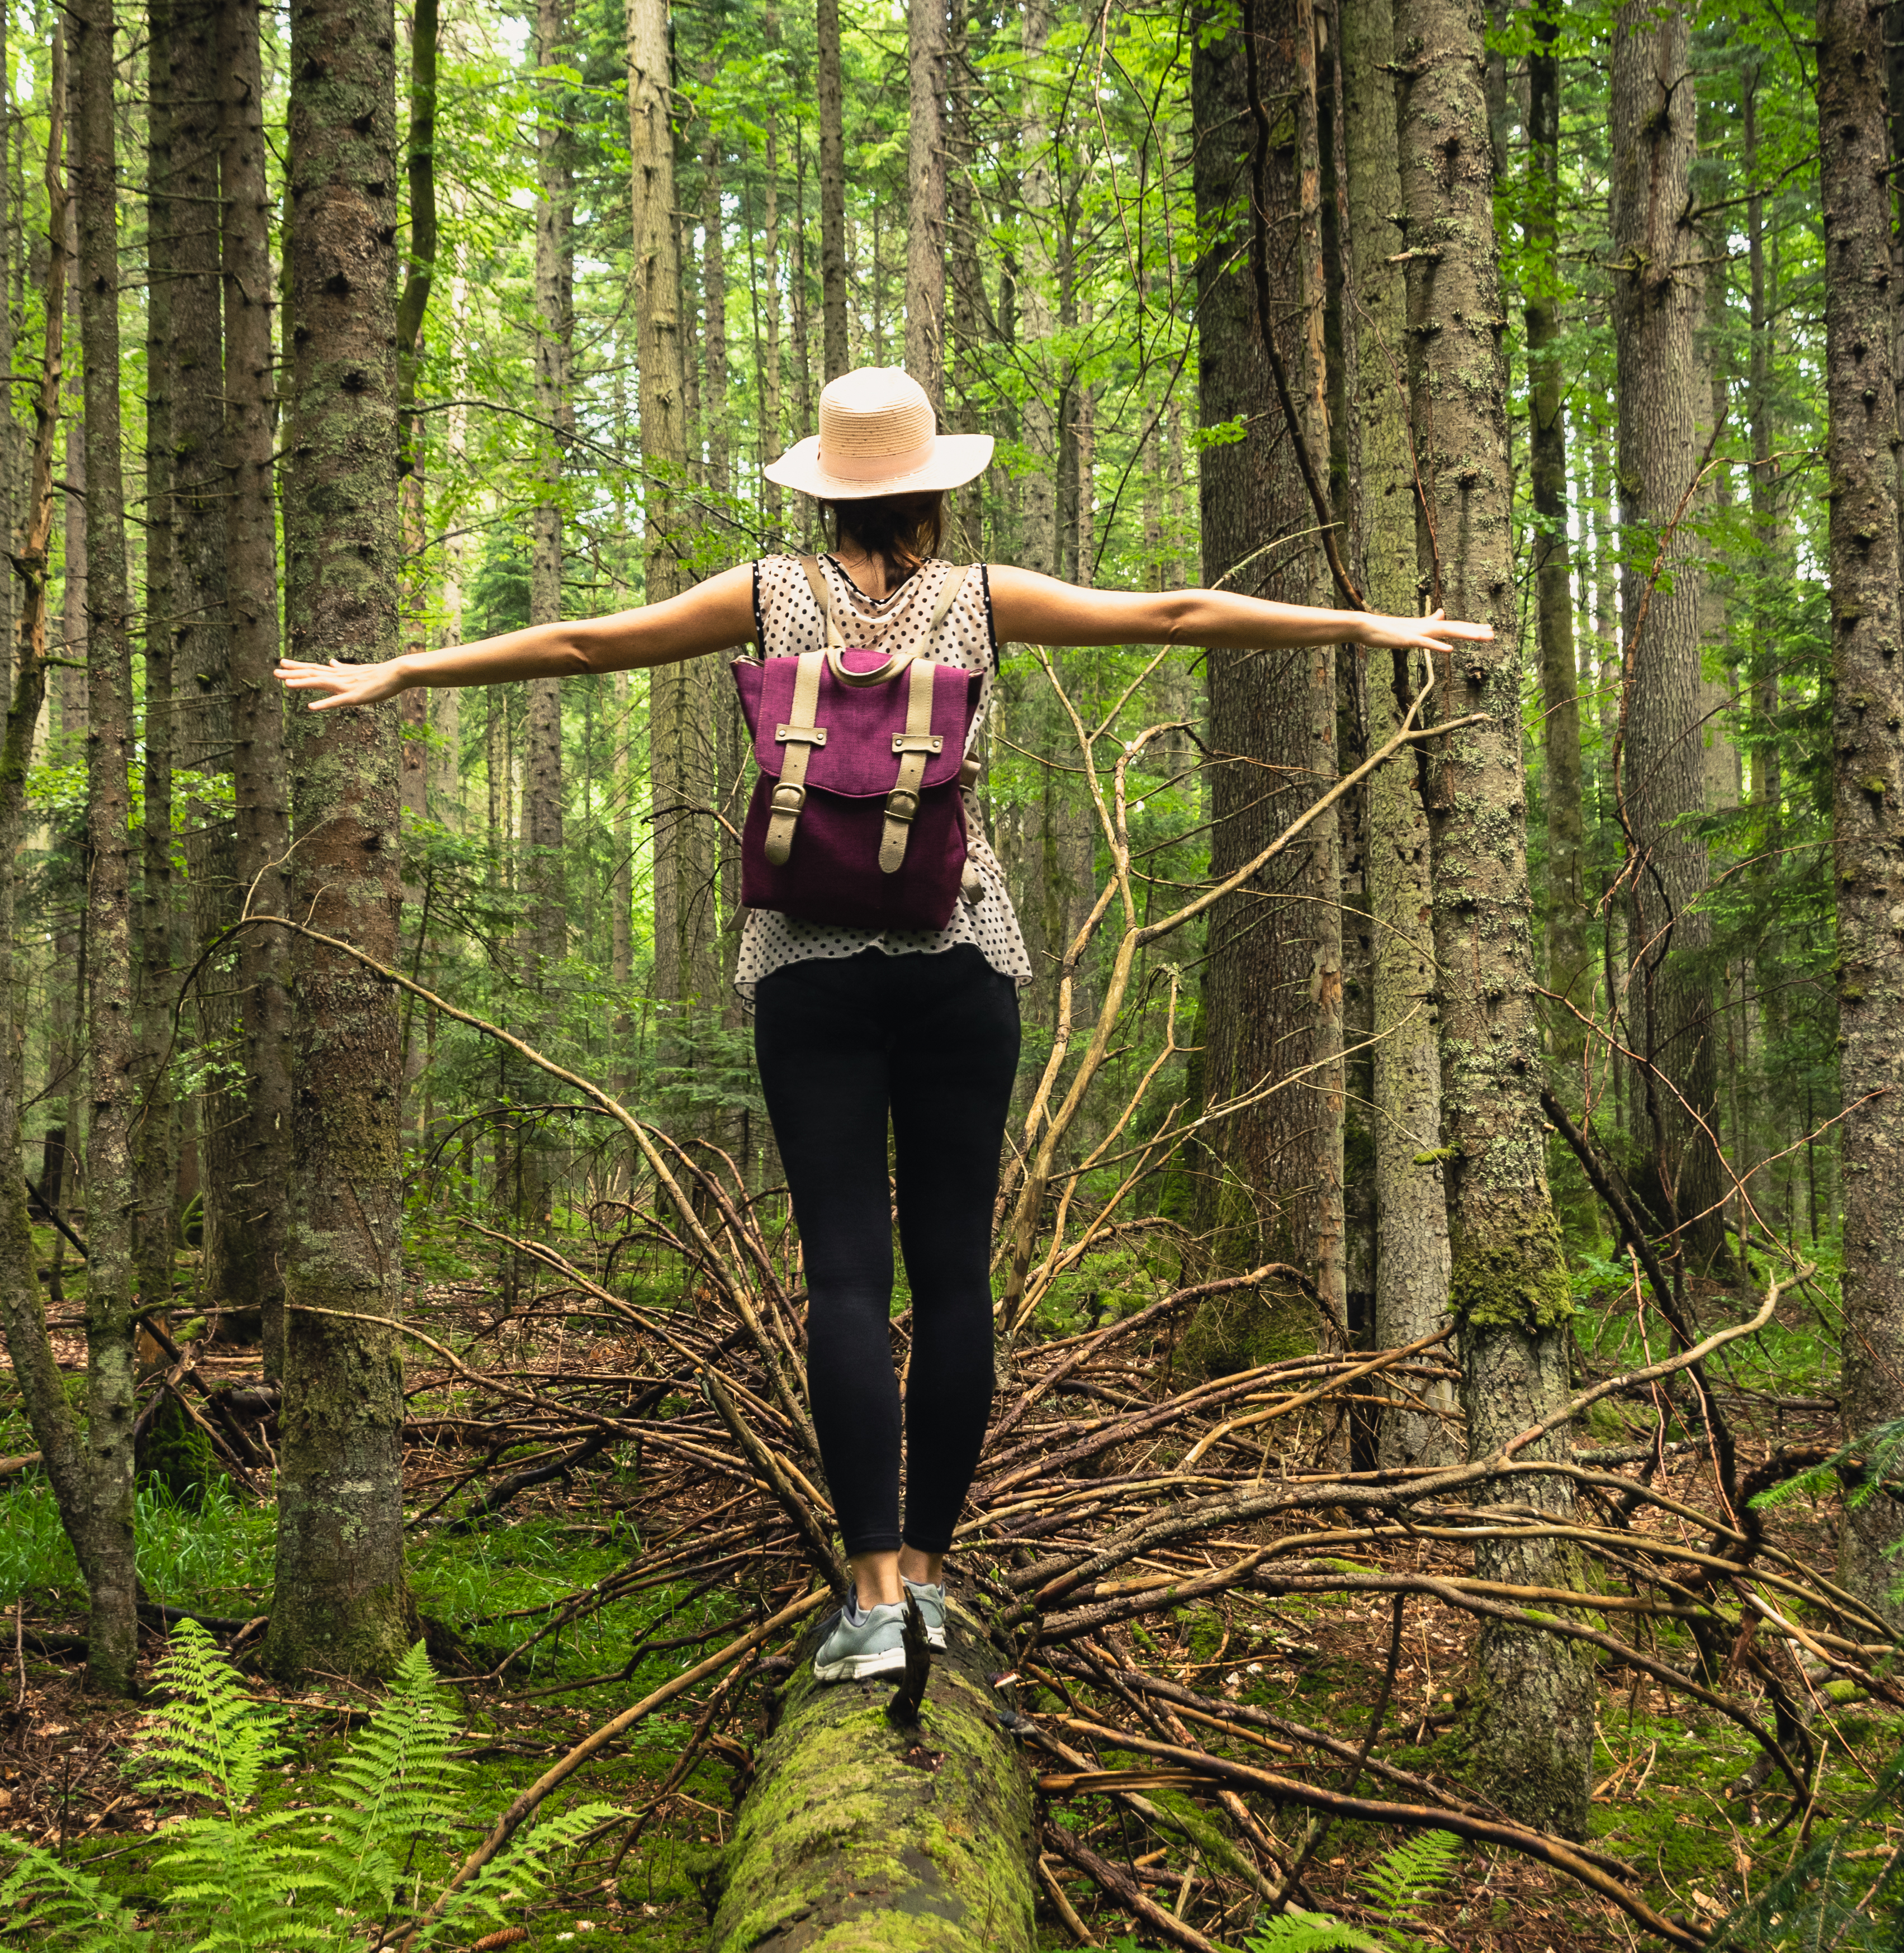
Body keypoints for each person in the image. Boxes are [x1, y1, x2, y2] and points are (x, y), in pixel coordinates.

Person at [279, 366, 1493, 1684]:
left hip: (807, 966)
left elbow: (580, 643)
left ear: (823, 487)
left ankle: (866, 1599)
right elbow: (1177, 611)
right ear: (933, 484)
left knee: (847, 1278)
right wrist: (1365, 629)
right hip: (959, 953)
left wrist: (403, 670)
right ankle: (930, 1578)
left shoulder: (761, 595)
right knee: (955, 1274)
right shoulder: (979, 600)